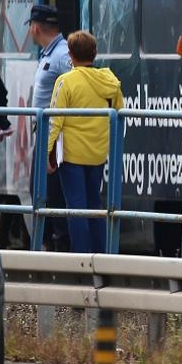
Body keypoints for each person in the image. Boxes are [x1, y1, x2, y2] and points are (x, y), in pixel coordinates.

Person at [45, 31, 121, 255]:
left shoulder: (65, 81)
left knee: (76, 207)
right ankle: (101, 254)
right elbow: (119, 114)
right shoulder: (110, 82)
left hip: (71, 155)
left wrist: (46, 154)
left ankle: (81, 256)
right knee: (95, 206)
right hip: (98, 153)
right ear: (94, 54)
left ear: (70, 55)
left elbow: (54, 121)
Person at [27, 4, 72, 249]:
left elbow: (74, 88)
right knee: (38, 192)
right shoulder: (48, 53)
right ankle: (47, 247)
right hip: (44, 134)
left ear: (35, 27)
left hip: (54, 137)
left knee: (52, 195)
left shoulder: (62, 55)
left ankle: (58, 249)